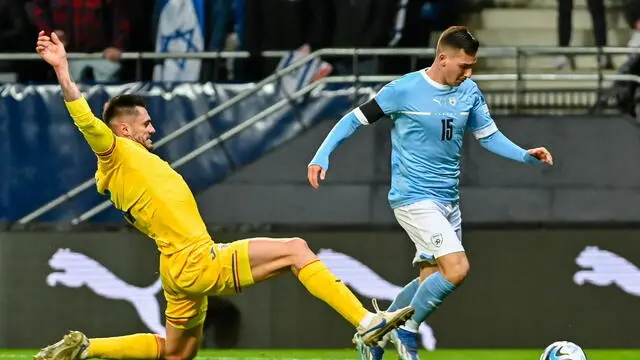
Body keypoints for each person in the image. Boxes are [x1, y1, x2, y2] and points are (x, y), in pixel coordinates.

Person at [33, 30, 414, 360]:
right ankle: (366, 323)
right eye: (146, 124)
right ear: (124, 129)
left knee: (178, 352)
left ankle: (86, 348)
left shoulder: (125, 166)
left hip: (175, 268)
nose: (153, 129)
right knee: (296, 249)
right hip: (196, 260)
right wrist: (62, 68)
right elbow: (84, 118)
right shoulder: (116, 152)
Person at [307, 26, 553, 360]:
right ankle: (406, 331)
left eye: (472, 67)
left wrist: (525, 154)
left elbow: (489, 136)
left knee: (432, 278)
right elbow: (353, 120)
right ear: (442, 58)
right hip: (413, 198)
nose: (469, 73)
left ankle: (374, 336)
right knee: (457, 269)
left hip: (448, 202)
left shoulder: (469, 92)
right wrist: (322, 155)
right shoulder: (405, 90)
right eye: (463, 66)